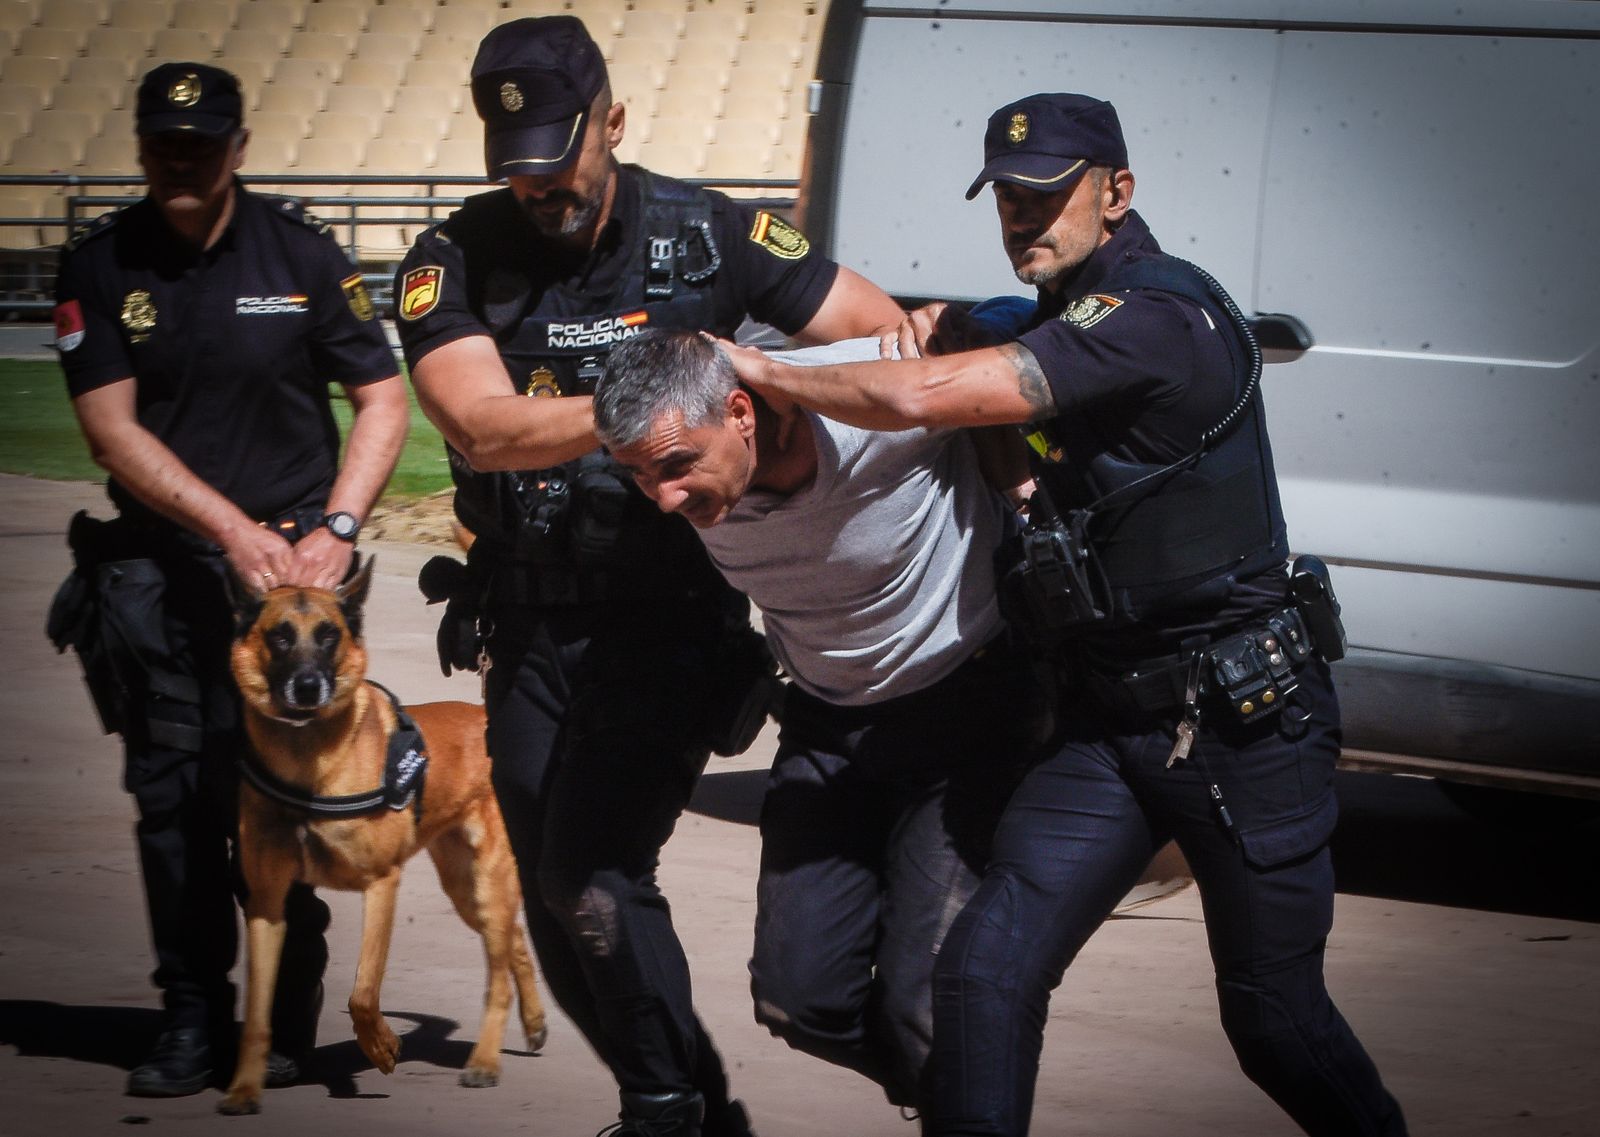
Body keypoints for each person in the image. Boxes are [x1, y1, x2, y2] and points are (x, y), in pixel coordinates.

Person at [722, 93, 1408, 1136]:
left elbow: (930, 395)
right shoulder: (1059, 311)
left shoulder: (1161, 316)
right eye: (1006, 197)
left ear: (1116, 192)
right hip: (1110, 728)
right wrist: (954, 320)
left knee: (1273, 1018)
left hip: (1244, 722)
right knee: (978, 974)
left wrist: (768, 372)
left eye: (1046, 195)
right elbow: (1005, 333)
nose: (1022, 216)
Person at [391, 16, 904, 1137]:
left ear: (611, 122)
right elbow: (481, 427)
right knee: (551, 889)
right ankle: (680, 1102)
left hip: (671, 611)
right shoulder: (451, 257)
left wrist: (768, 427)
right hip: (528, 614)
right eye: (516, 167)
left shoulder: (710, 232)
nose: (539, 187)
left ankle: (670, 1109)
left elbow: (875, 330)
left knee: (593, 869)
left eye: (558, 156)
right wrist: (665, 400)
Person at [48, 62, 409, 1098]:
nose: (181, 161)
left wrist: (338, 529)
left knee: (279, 803)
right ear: (139, 146)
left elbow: (381, 399)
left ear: (237, 149)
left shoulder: (301, 253)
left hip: (291, 591)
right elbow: (111, 431)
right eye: (164, 144)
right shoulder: (101, 263)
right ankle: (189, 1018)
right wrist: (225, 529)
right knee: (172, 807)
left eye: (201, 145)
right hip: (163, 581)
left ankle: (284, 1013)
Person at [592, 329, 1046, 1117]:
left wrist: (1019, 485)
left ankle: (960, 1090)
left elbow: (1004, 364)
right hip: (827, 724)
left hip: (966, 713)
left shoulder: (874, 408)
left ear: (741, 413)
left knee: (928, 1007)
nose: (664, 497)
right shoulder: (688, 476)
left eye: (677, 464)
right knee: (797, 1000)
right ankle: (957, 1091)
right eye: (638, 474)